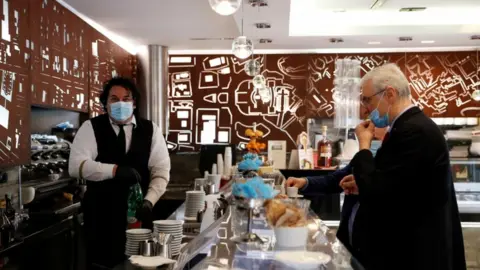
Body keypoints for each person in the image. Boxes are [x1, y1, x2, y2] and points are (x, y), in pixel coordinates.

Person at [349, 63, 465, 269]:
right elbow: (401, 187)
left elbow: (377, 194)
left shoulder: (414, 131)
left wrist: (364, 145)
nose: (364, 108)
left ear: (390, 94)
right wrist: (361, 181)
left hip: (415, 254)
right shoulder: (410, 127)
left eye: (367, 99)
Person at [69, 77, 171, 268]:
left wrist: (149, 200)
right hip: (101, 216)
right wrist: (114, 171)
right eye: (114, 99)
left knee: (140, 264)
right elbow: (76, 165)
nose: (121, 103)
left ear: (134, 103)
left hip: (139, 215)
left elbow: (161, 171)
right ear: (105, 104)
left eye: (126, 98)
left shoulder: (151, 130)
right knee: (102, 264)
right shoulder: (91, 128)